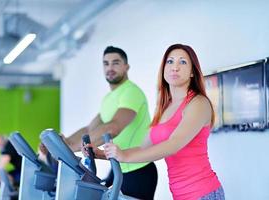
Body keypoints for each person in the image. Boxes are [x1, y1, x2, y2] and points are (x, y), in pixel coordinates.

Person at [102, 44, 225, 200]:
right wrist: (105, 153)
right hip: (180, 195)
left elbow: (174, 144)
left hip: (203, 193)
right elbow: (142, 147)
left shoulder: (198, 103)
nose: (175, 67)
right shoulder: (164, 108)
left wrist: (124, 156)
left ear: (193, 72)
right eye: (170, 61)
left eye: (183, 62)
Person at [64, 46, 158, 200]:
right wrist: (65, 142)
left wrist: (72, 148)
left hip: (138, 170)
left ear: (126, 67)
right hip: (119, 168)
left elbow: (113, 128)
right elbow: (89, 128)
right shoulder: (109, 98)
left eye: (115, 63)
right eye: (106, 64)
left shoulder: (131, 92)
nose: (110, 68)